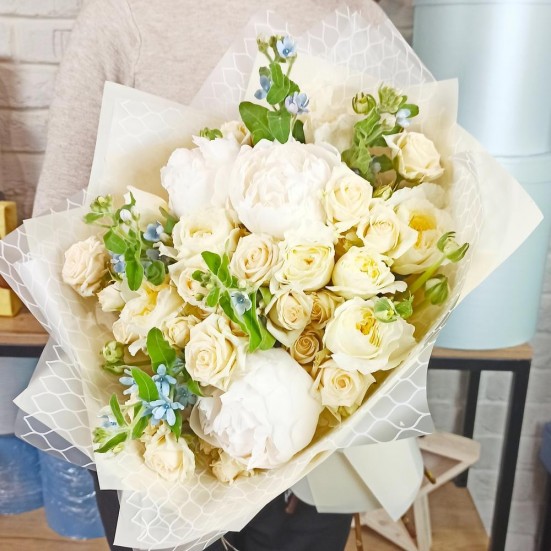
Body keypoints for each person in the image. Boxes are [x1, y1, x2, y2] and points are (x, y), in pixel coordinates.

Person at [32, 1, 382, 550]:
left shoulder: (352, 11)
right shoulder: (121, 15)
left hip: (318, 447)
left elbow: (390, 199)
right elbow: (55, 232)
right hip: (163, 446)